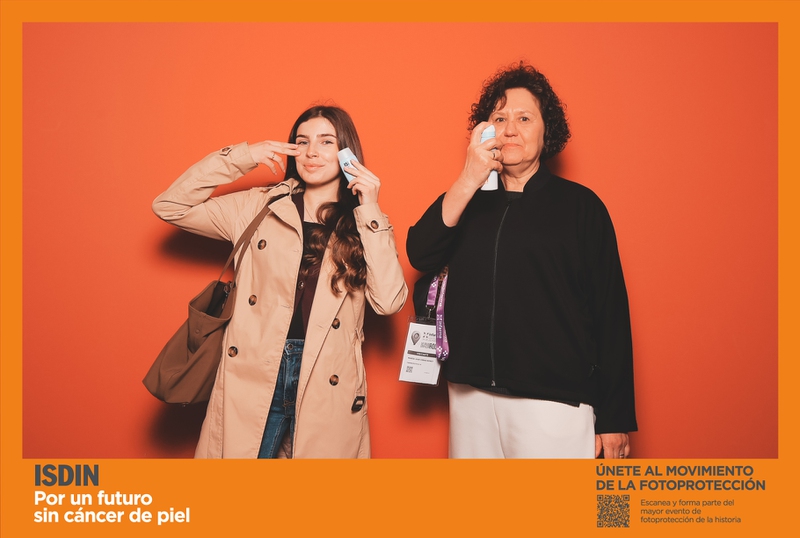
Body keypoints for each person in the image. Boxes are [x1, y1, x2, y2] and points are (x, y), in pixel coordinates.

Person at [406, 62, 637, 459]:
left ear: (547, 131)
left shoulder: (581, 207)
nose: (510, 129)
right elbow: (420, 252)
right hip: (470, 396)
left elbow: (610, 314)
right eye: (500, 119)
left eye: (524, 118)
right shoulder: (465, 201)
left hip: (554, 402)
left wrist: (615, 416)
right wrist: (469, 178)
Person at [153, 105, 407, 458]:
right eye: (302, 142)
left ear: (346, 153)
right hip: (256, 366)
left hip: (326, 377)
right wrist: (243, 156)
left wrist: (369, 208)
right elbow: (170, 205)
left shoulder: (365, 222)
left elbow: (389, 302)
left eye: (326, 141)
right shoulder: (259, 206)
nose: (312, 152)